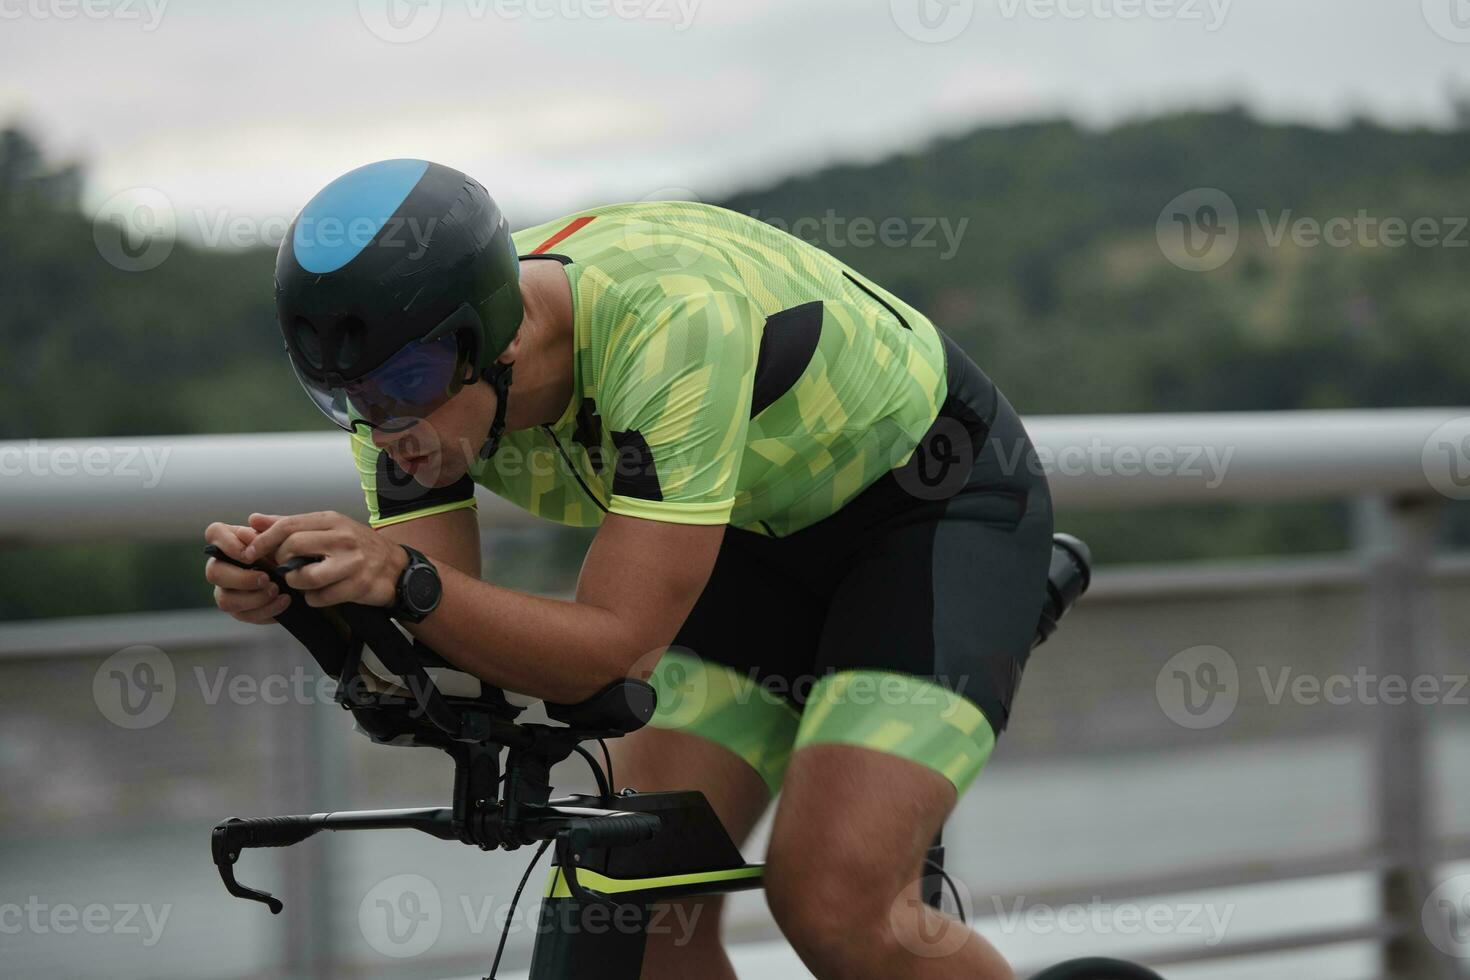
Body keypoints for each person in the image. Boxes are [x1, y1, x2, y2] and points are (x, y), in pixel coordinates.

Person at [204, 159, 1053, 980]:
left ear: (492, 337)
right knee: (632, 905)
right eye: (344, 398)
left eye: (403, 384)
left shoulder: (670, 324)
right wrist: (316, 606)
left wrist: (398, 579)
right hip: (745, 536)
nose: (383, 428)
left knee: (835, 903)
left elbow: (611, 649)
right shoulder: (397, 399)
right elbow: (448, 661)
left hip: (925, 515)